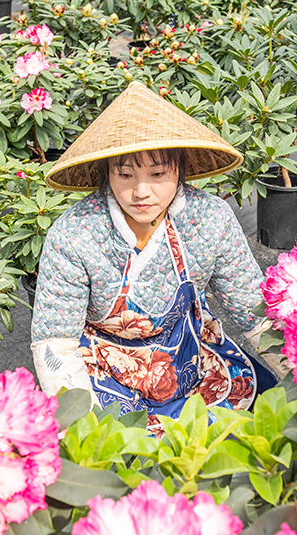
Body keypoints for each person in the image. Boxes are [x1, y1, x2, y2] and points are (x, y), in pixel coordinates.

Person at [30, 82, 277, 421]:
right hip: (108, 370)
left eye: (158, 173)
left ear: (181, 169)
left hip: (193, 362)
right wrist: (81, 428)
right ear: (106, 173)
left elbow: (254, 311)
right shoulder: (74, 234)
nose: (141, 192)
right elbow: (55, 344)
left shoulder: (210, 218)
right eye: (126, 175)